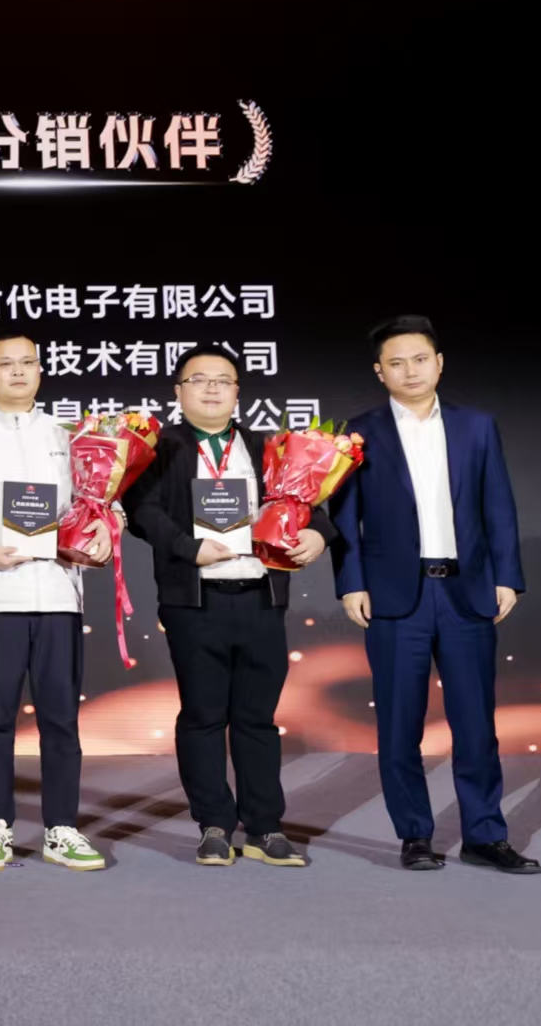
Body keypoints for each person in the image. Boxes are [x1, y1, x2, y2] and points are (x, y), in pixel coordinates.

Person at [331, 316, 540, 874]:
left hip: (466, 591)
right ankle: (415, 835)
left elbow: (498, 504)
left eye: (420, 359)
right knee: (400, 724)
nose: (410, 371)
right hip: (394, 596)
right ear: (380, 372)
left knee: (476, 723)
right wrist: (351, 582)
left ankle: (485, 835)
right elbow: (344, 518)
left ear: (439, 363)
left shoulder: (477, 427)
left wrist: (506, 576)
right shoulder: (357, 433)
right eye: (396, 363)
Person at [122, 344, 335, 869]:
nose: (212, 387)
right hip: (195, 600)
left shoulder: (269, 447)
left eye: (223, 379)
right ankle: (214, 825)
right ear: (179, 391)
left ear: (238, 391)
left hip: (261, 596)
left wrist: (318, 534)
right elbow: (141, 510)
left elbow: (308, 503)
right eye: (199, 379)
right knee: (202, 716)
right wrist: (188, 547)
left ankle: (264, 827)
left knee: (257, 718)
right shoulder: (159, 448)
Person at [0, 334, 110, 872]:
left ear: (40, 370)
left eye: (27, 362)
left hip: (58, 591)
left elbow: (96, 502)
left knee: (61, 718)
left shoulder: (69, 435)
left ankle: (62, 828)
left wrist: (106, 526)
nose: (17, 372)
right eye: (5, 364)